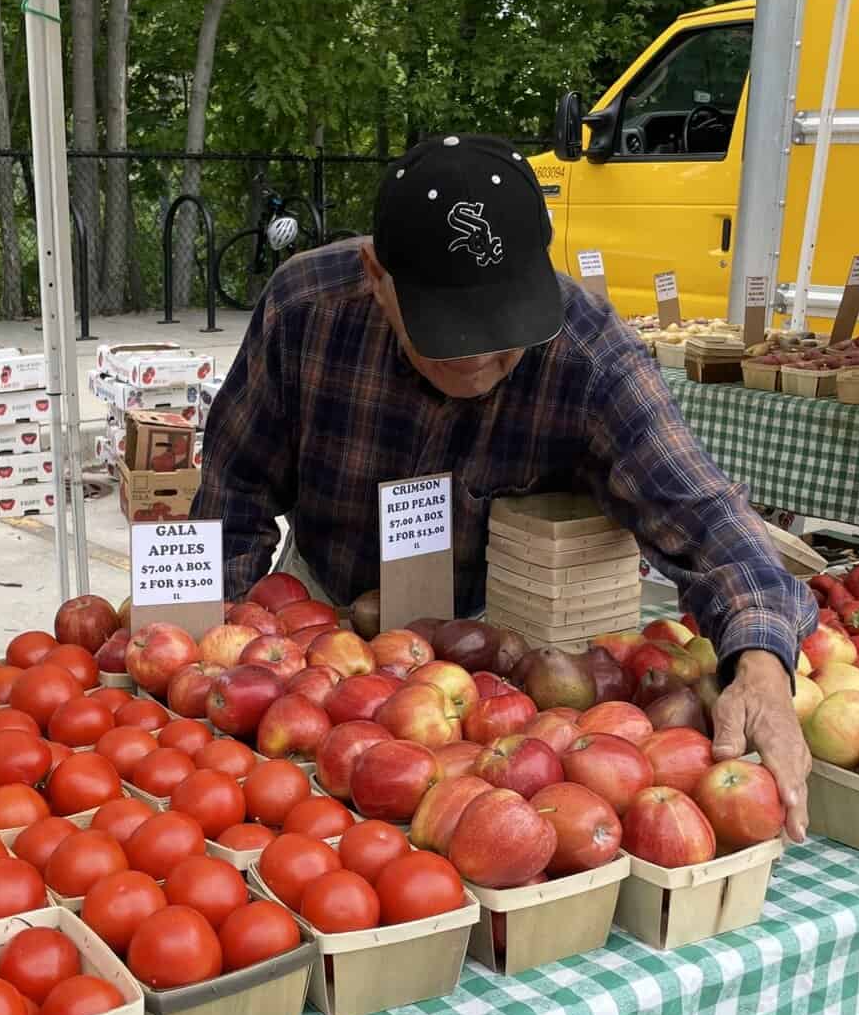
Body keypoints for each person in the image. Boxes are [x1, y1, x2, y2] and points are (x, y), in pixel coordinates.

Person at [195, 134, 816, 836]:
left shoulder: (588, 352)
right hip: (320, 623)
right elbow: (233, 494)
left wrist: (762, 666)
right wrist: (220, 652)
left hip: (497, 667)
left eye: (504, 324)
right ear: (376, 274)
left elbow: (707, 517)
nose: (485, 354)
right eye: (451, 329)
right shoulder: (305, 308)